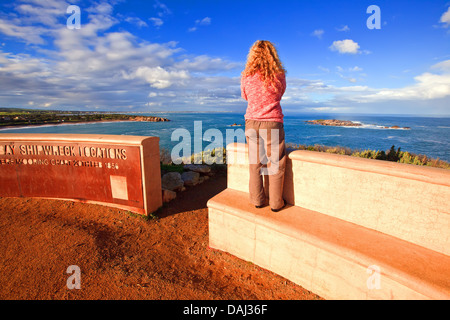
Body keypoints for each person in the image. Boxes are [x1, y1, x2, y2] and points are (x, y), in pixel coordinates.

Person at [241, 40, 287, 212]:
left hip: (251, 122)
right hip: (272, 122)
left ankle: (258, 200)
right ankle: (276, 203)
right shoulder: (279, 74)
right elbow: (280, 93)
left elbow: (245, 96)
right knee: (275, 164)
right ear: (273, 55)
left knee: (255, 163)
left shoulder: (246, 75)